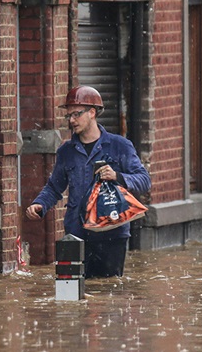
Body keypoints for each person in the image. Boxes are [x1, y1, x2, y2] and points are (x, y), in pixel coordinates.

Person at [25, 86, 151, 278]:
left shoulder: (120, 146)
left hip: (112, 233)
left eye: (76, 114)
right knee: (71, 291)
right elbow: (54, 187)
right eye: (68, 116)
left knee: (107, 293)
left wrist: (117, 176)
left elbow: (144, 181)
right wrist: (39, 204)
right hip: (76, 232)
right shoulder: (66, 151)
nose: (72, 120)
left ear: (92, 112)